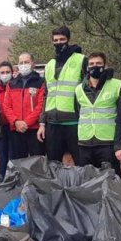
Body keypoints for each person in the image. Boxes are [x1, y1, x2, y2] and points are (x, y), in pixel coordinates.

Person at [37, 26, 86, 164]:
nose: (59, 43)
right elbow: (46, 95)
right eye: (56, 40)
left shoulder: (81, 60)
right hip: (52, 122)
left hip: (74, 121)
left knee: (80, 164)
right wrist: (42, 122)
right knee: (53, 165)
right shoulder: (50, 64)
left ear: (68, 40)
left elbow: (88, 92)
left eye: (62, 39)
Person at [74, 52, 121, 174]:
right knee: (86, 182)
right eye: (91, 64)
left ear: (105, 66)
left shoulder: (117, 85)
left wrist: (119, 145)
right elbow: (77, 113)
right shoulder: (78, 89)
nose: (94, 66)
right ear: (87, 67)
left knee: (111, 181)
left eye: (98, 63)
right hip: (85, 142)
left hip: (107, 143)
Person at [6, 52, 45, 159]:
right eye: (21, 62)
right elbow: (7, 106)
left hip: (34, 129)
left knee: (37, 163)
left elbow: (41, 105)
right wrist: (16, 122)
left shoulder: (40, 82)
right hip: (16, 130)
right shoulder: (11, 84)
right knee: (18, 164)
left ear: (33, 64)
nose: (23, 65)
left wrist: (27, 122)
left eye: (26, 62)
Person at [0, 61, 15, 177]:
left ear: (12, 73)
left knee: (13, 159)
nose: (5, 74)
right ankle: (2, 184)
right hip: (0, 129)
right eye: (2, 72)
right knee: (2, 159)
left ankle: (13, 183)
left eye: (7, 72)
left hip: (13, 128)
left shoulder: (16, 87)